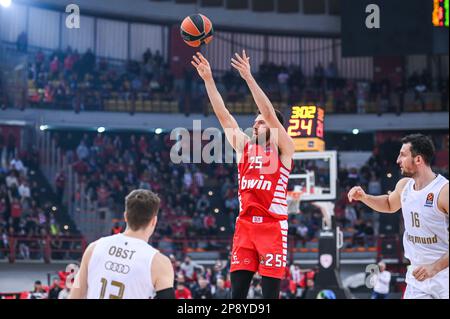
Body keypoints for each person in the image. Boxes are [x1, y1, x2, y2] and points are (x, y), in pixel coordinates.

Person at [192, 51, 295, 299]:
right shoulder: (244, 146)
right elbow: (224, 116)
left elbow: (269, 114)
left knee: (270, 297)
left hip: (273, 227)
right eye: (255, 122)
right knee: (237, 294)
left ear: (274, 128)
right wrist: (208, 80)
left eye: (261, 122)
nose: (257, 124)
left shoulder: (284, 150)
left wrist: (248, 77)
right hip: (245, 226)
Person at [348, 134, 449, 299]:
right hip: (418, 275)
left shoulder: (443, 191)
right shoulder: (404, 186)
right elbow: (388, 204)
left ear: (418, 160)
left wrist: (435, 267)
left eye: (402, 155)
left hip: (445, 275)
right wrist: (365, 198)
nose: (397, 160)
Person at [69, 189, 174, 299]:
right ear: (154, 221)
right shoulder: (159, 262)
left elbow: (75, 295)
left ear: (125, 216)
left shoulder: (94, 248)